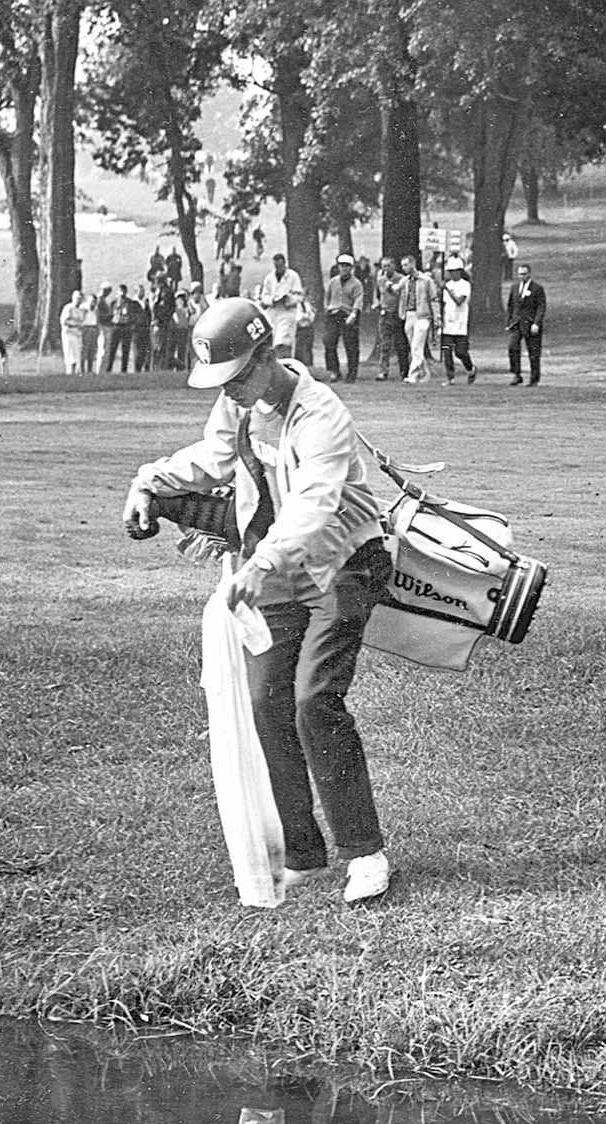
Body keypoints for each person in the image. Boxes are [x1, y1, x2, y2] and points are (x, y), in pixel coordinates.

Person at [121, 297, 395, 905]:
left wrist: (261, 562)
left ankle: (366, 853)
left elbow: (314, 508)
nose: (232, 392)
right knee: (267, 702)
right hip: (277, 569)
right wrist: (149, 478)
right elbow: (210, 459)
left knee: (313, 700)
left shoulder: (321, 412)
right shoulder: (237, 404)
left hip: (343, 562)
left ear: (267, 355)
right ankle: (303, 852)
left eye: (238, 377)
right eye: (222, 382)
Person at [321, 254, 365, 383]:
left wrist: (354, 314)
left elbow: (358, 300)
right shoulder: (333, 281)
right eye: (342, 265)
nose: (344, 268)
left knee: (351, 345)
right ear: (338, 267)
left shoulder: (356, 284)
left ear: (351, 268)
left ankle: (352, 373)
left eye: (347, 266)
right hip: (334, 314)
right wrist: (328, 308)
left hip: (348, 314)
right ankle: (334, 371)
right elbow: (327, 297)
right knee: (329, 342)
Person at [397, 255, 438, 385]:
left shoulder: (426, 280)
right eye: (402, 265)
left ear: (412, 264)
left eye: (405, 265)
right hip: (409, 314)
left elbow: (433, 299)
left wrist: (436, 317)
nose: (403, 268)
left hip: (423, 315)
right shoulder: (405, 280)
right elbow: (396, 289)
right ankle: (425, 374)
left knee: (416, 345)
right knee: (414, 346)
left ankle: (413, 375)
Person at [254, 254, 304, 356]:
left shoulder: (293, 276)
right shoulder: (269, 278)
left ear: (284, 264)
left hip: (287, 311)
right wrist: (272, 300)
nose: (278, 268)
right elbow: (264, 296)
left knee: (284, 340)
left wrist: (287, 299)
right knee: (272, 339)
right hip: (273, 312)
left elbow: (298, 295)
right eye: (276, 266)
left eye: (280, 266)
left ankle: (285, 361)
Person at [505, 262, 546, 386]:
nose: (521, 276)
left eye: (524, 274)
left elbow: (541, 306)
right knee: (512, 347)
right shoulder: (515, 288)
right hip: (517, 323)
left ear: (529, 274)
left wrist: (536, 323)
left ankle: (534, 378)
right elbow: (510, 305)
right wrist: (509, 322)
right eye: (519, 274)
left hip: (531, 323)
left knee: (533, 352)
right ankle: (517, 374)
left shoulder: (537, 288)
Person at [439, 255, 475, 384]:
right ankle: (450, 377)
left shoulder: (465, 285)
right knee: (447, 352)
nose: (452, 274)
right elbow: (444, 304)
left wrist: (448, 289)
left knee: (460, 352)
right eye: (450, 272)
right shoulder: (447, 285)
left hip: (460, 323)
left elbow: (459, 301)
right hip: (448, 323)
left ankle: (470, 368)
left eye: (454, 271)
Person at [373, 258, 408, 382]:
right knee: (384, 344)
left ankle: (404, 372)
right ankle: (383, 371)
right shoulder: (380, 279)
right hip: (385, 314)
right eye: (384, 266)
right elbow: (378, 295)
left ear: (393, 266)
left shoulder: (401, 279)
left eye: (388, 266)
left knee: (400, 344)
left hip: (397, 314)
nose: (386, 269)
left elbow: (403, 296)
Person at [58, 289, 88, 374]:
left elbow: (82, 321)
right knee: (70, 356)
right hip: (69, 334)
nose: (78, 300)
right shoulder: (68, 308)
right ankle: (69, 373)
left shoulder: (82, 310)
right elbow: (64, 321)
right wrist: (75, 324)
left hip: (77, 334)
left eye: (80, 299)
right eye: (77, 298)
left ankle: (76, 373)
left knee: (77, 355)